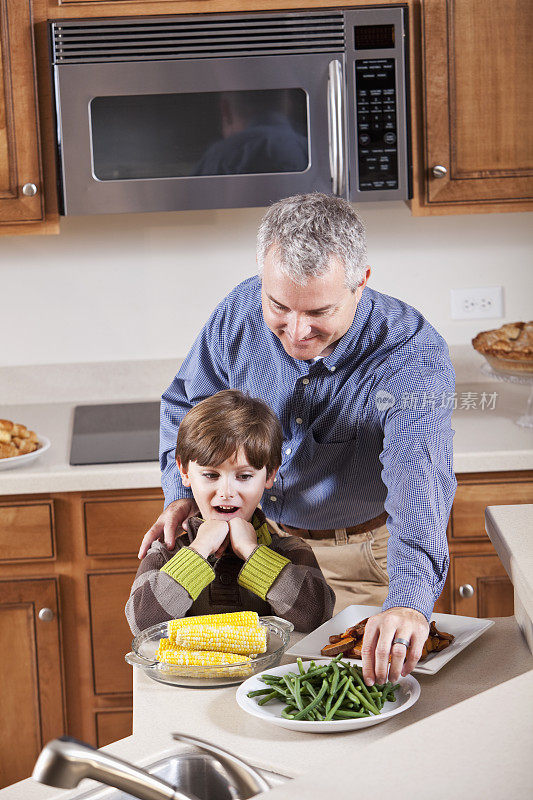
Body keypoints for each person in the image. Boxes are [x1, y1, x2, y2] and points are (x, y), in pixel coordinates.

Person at [138, 192, 457, 687]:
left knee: (354, 710)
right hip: (255, 543)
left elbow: (420, 478)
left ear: (361, 283)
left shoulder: (412, 356)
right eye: (279, 306)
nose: (297, 332)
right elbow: (187, 405)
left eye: (319, 312)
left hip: (363, 564)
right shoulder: (240, 312)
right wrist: (180, 497)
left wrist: (409, 602)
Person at [126, 390, 335, 635]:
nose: (226, 492)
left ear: (269, 475)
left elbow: (317, 617)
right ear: (183, 470)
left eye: (244, 476)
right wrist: (198, 550)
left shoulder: (290, 551)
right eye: (211, 475)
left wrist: (253, 553)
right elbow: (142, 623)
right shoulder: (167, 552)